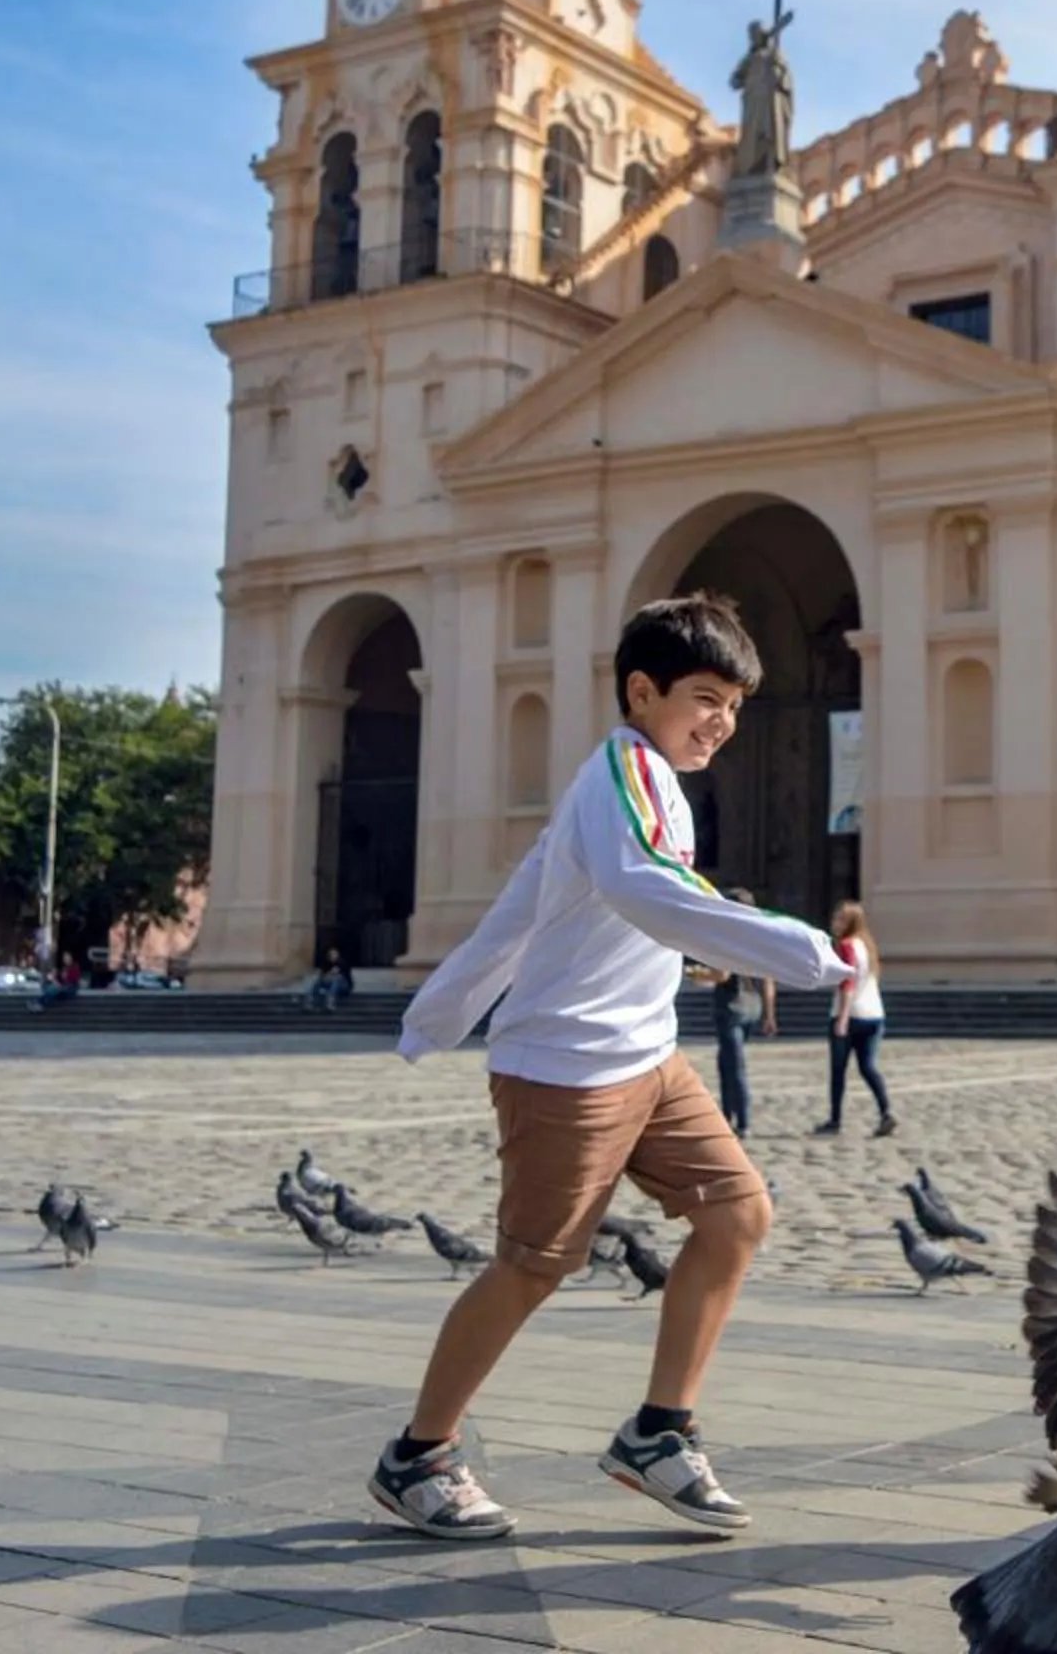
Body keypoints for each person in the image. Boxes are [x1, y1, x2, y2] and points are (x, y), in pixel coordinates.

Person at [378, 592, 854, 1540]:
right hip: (569, 1067)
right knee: (530, 1266)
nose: (720, 722)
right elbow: (647, 887)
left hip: (647, 1057)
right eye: (705, 698)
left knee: (737, 1212)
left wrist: (442, 1007)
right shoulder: (623, 772)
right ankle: (418, 1455)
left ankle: (659, 1431)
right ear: (643, 692)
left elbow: (542, 907)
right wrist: (791, 948)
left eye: (735, 706)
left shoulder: (653, 781)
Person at [697, 890, 777, 1138]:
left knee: (734, 1067)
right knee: (727, 1063)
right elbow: (768, 979)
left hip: (731, 1007)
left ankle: (743, 1122)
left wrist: (694, 973)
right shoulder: (759, 938)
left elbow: (721, 975)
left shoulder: (727, 936)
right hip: (753, 1008)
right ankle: (728, 1116)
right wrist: (770, 1014)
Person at [812, 899, 893, 1138]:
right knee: (868, 1066)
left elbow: (847, 982)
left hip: (850, 1014)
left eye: (840, 918)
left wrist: (842, 1019)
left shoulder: (846, 945)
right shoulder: (867, 946)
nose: (834, 922)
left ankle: (835, 1120)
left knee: (838, 1070)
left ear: (850, 923)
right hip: (874, 1014)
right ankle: (886, 1111)